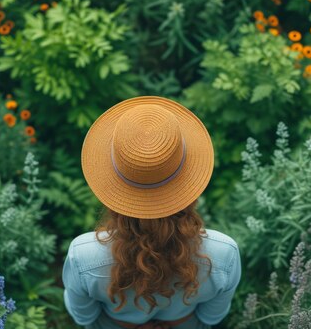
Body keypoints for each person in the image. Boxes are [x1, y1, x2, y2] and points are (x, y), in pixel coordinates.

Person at [63, 96, 241, 328]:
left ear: (112, 194)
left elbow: (84, 317)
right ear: (190, 191)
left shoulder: (82, 255)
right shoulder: (224, 253)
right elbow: (211, 317)